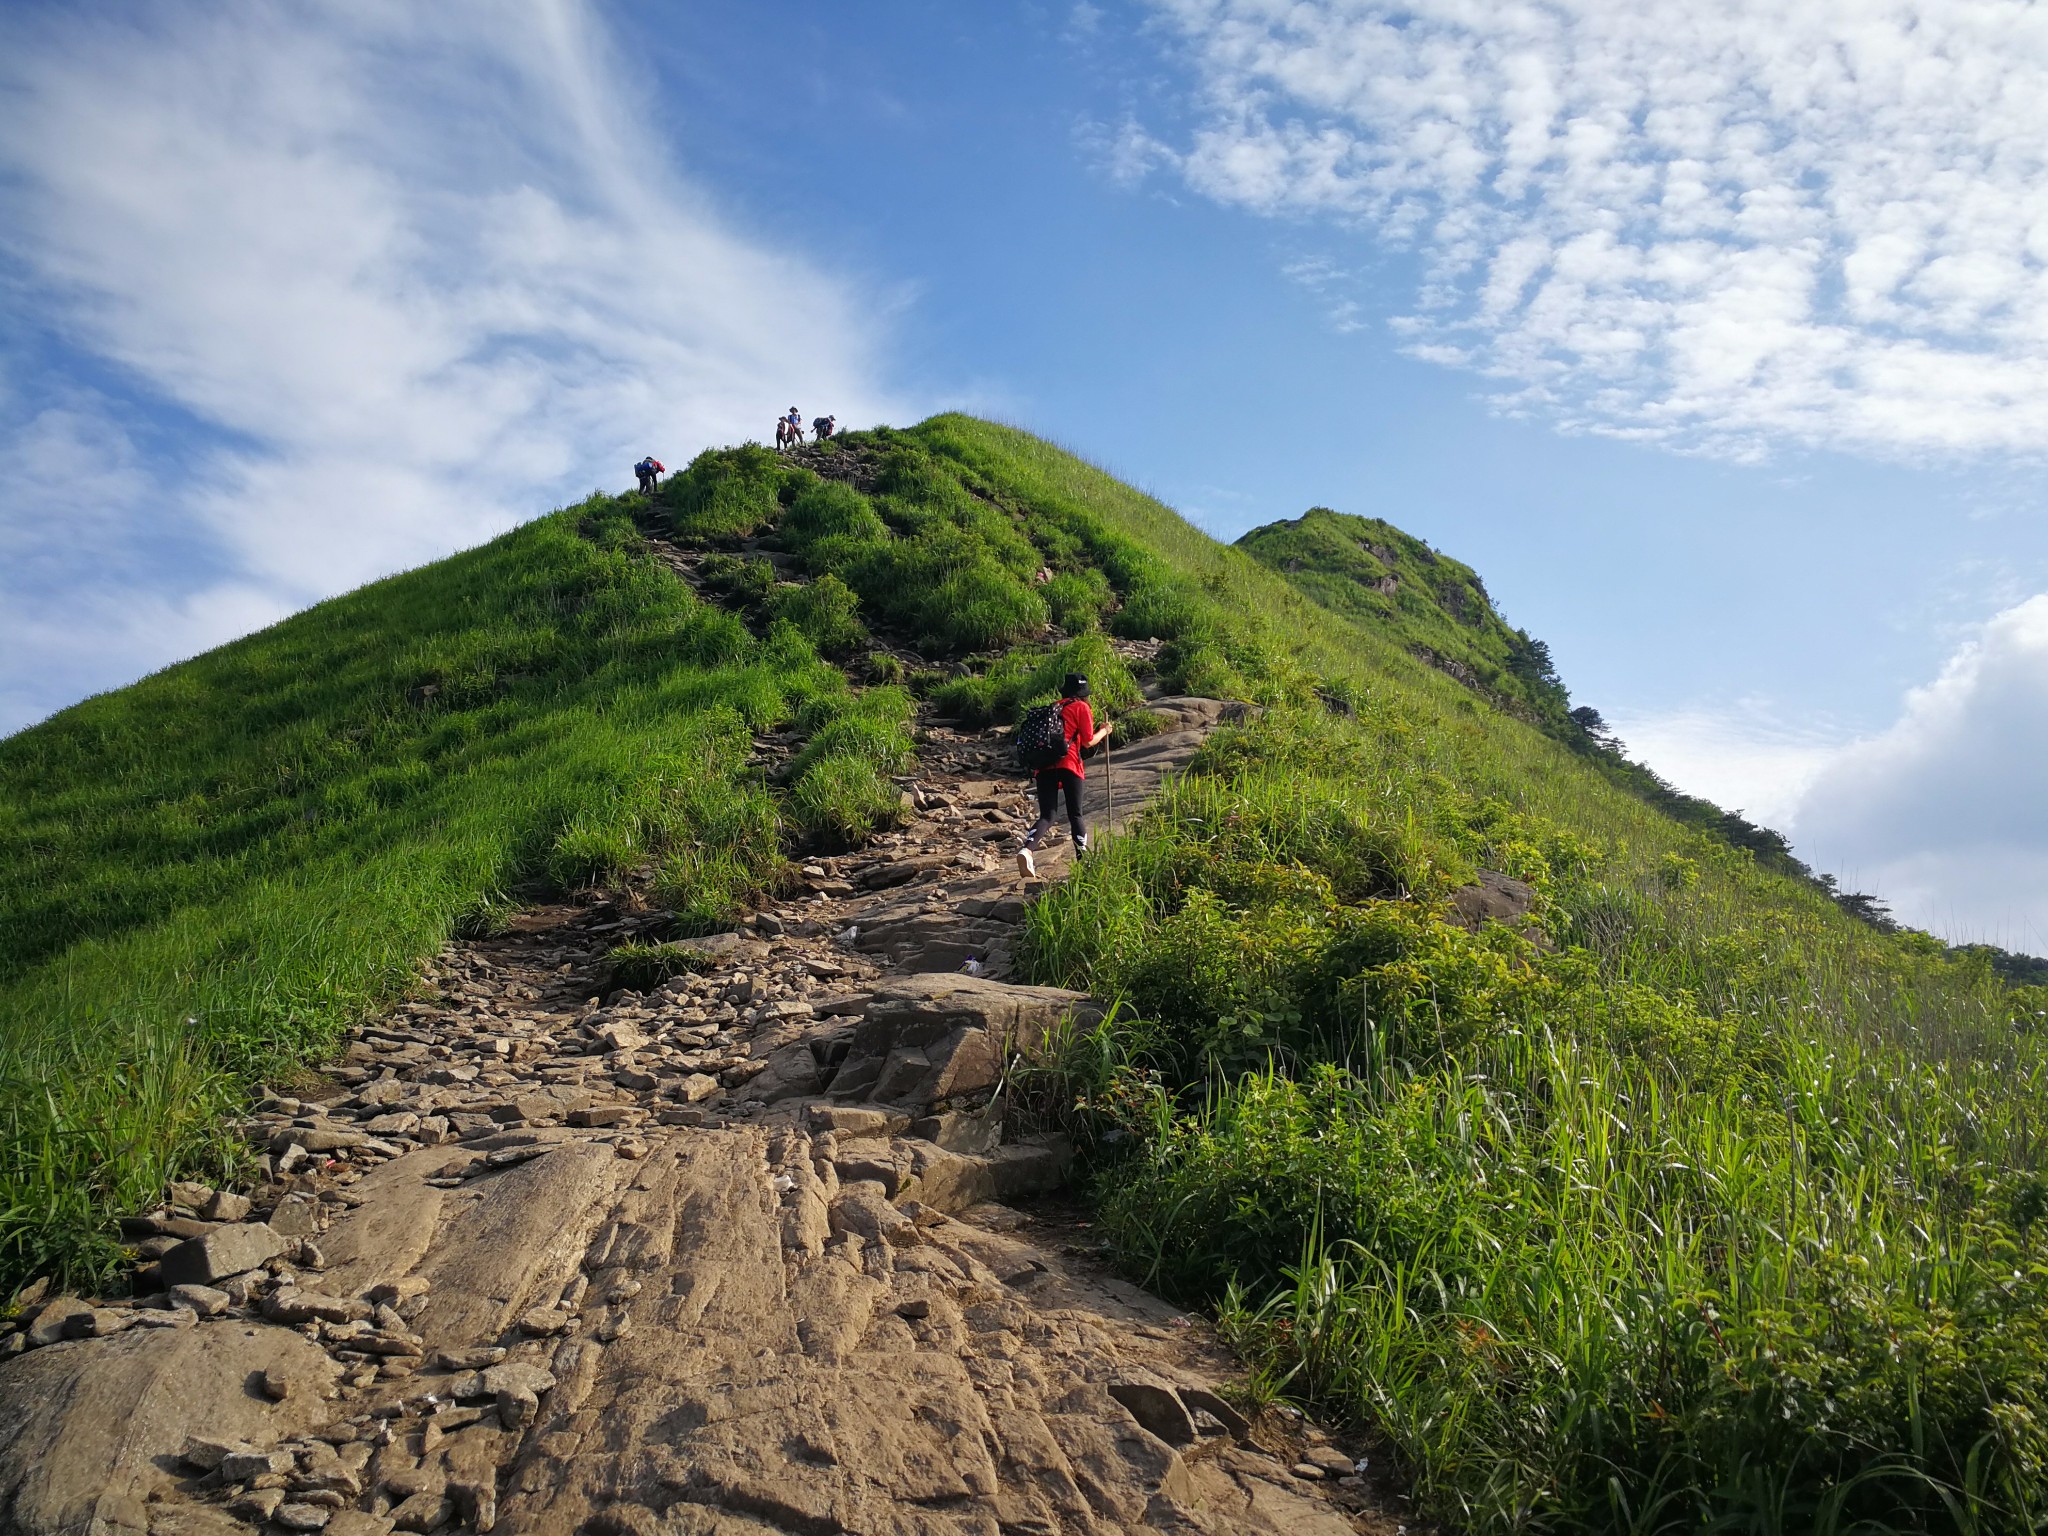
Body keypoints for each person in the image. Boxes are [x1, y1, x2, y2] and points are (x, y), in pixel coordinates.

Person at [1017, 673, 1112, 879]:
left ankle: (1027, 850)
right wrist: (1104, 731)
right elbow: (1087, 741)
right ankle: (1083, 861)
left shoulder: (1054, 707)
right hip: (1069, 764)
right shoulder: (1082, 707)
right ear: (1084, 693)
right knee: (1075, 814)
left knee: (1047, 815)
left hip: (1044, 766)